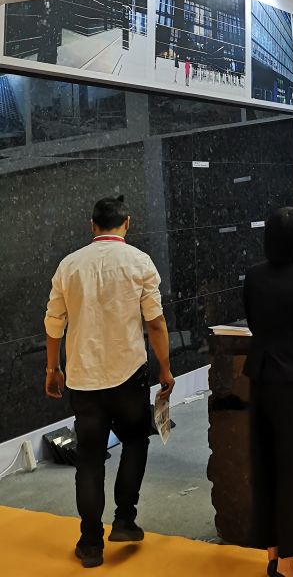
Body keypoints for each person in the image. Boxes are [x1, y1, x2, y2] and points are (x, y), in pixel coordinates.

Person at [44, 195, 174, 570]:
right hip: (128, 374)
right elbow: (155, 323)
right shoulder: (140, 262)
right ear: (127, 223)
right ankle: (124, 519)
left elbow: (53, 324)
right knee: (135, 441)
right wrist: (165, 369)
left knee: (89, 460)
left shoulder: (69, 265)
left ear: (92, 225)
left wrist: (53, 368)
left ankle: (90, 544)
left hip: (83, 379)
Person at [242, 206, 293, 577]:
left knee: (265, 467)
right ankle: (288, 565)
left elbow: (253, 322)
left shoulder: (254, 275)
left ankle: (272, 555)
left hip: (260, 377)